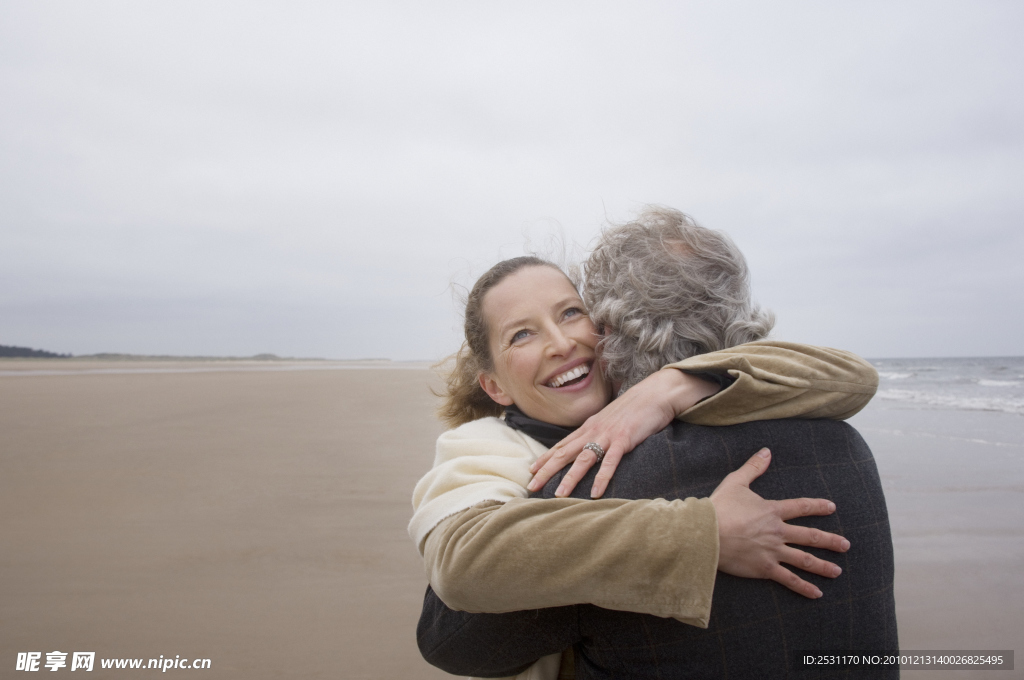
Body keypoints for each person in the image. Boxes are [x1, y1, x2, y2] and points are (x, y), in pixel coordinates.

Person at [417, 207, 898, 679]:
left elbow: (451, 640)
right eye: (521, 334)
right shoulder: (848, 446)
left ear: (609, 331)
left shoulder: (594, 487)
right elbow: (464, 565)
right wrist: (703, 532)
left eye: (572, 313)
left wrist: (673, 384)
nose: (561, 343)